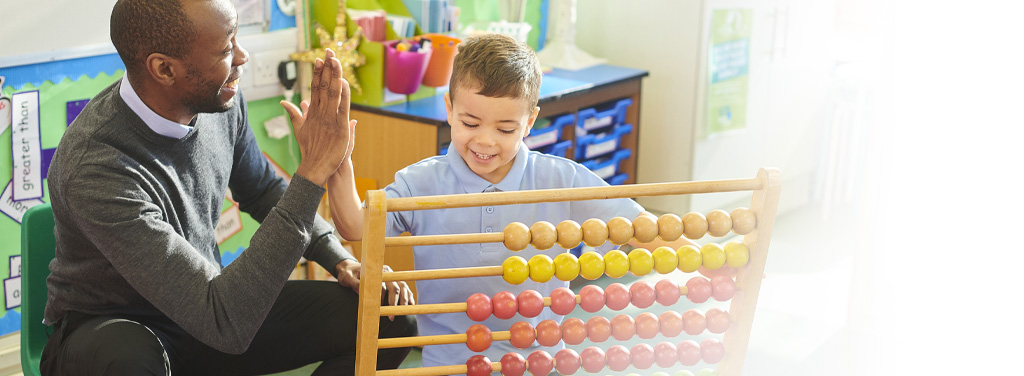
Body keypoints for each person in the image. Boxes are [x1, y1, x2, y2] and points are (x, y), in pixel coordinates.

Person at [40, 0, 415, 374]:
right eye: (225, 49)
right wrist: (313, 172)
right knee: (130, 362)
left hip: (207, 309)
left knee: (389, 321)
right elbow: (225, 321)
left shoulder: (220, 100)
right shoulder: (95, 167)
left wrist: (340, 258)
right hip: (117, 327)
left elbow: (263, 190)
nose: (242, 56)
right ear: (164, 68)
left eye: (236, 38)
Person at [327, 34, 698, 367]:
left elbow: (640, 227)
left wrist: (700, 259)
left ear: (530, 121)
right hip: (450, 361)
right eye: (470, 123)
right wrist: (339, 163)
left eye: (506, 129)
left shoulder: (560, 180)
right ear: (449, 109)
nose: (485, 142)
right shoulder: (421, 183)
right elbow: (356, 227)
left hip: (543, 358)